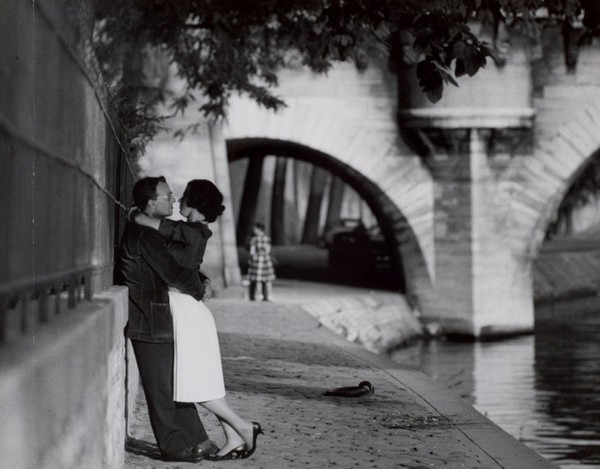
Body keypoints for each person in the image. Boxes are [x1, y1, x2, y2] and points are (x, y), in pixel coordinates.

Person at [131, 179, 263, 461]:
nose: (177, 200)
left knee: (190, 381)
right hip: (188, 308)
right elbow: (184, 264)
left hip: (185, 310)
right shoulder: (197, 232)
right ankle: (231, 436)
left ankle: (243, 426)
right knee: (199, 380)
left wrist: (132, 213)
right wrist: (202, 280)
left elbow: (155, 230)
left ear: (195, 203)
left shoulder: (187, 231)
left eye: (183, 197)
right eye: (171, 195)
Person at [118, 176, 217, 463]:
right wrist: (200, 289)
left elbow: (177, 266)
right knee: (161, 390)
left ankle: (199, 439)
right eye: (167, 196)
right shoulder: (145, 236)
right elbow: (173, 272)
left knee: (173, 383)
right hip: (149, 319)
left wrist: (201, 280)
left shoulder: (148, 232)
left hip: (158, 316)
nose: (172, 199)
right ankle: (174, 447)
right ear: (151, 204)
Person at [247, 222, 275, 301]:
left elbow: (252, 251)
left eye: (255, 229)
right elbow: (268, 250)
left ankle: (260, 294)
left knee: (258, 279)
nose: (254, 230)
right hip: (266, 259)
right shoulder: (267, 238)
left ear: (258, 229)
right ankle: (269, 294)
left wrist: (251, 257)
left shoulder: (254, 239)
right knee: (268, 279)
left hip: (257, 259)